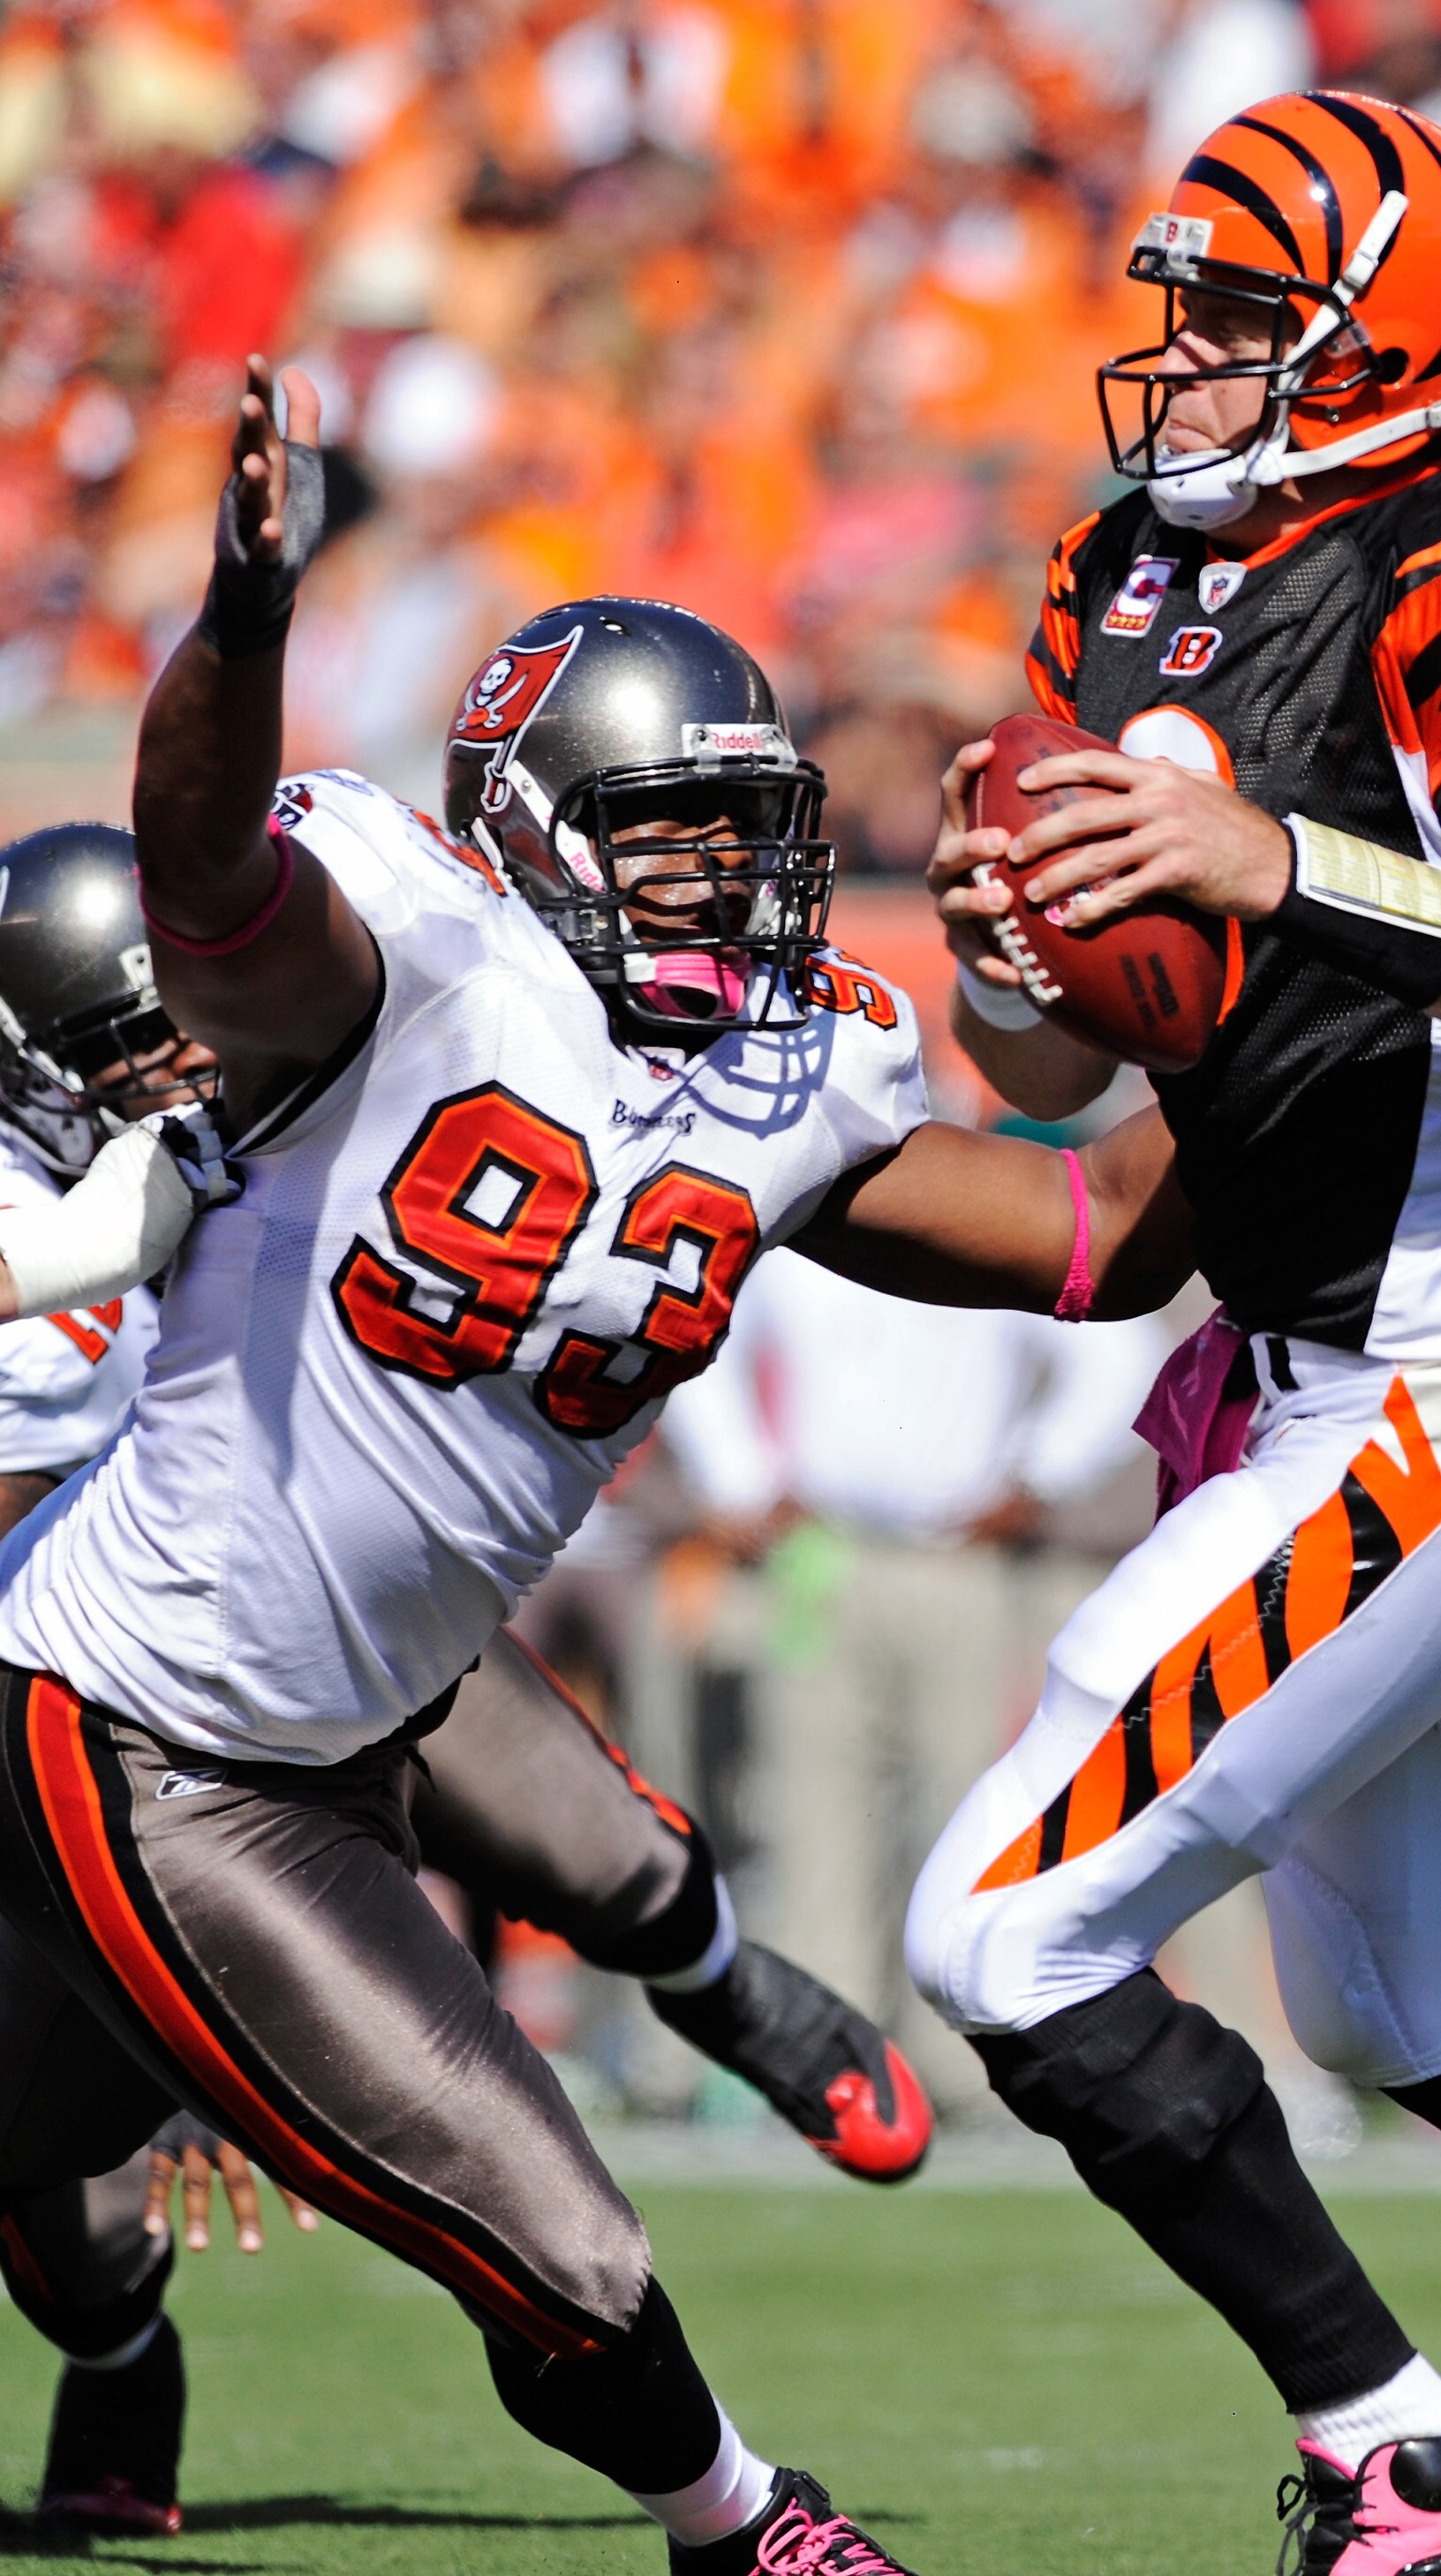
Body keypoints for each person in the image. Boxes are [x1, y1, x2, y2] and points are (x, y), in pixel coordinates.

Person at [0, 354, 1184, 2576]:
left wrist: (1258, 1024)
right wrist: (243, 620)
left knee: (516, 2056)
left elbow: (1093, 1240)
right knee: (550, 2243)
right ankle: (749, 2528)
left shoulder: (789, 1071)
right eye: (671, 829)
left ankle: (704, 2082)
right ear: (530, 825)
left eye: (749, 830)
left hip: (382, 1693)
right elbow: (204, 870)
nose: (727, 877)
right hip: (147, 1728)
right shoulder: (395, 957)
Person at [914, 88, 1441, 2571]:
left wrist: (1274, 855)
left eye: (1233, 317)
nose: (1171, 356)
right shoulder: (1134, 579)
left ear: (1371, 339)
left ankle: (1411, 2461)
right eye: (1170, 305)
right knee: (1416, 2015)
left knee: (1000, 1923)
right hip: (1339, 1389)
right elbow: (1073, 1076)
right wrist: (1013, 956)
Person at [0, 829, 938, 2535]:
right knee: (90, 2228)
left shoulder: (339, 1059)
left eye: (178, 1017)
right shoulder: (61, 1218)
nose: (181, 1058)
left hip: (353, 1615)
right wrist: (178, 2003)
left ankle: (726, 1989)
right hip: (139, 1686)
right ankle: (125, 2359)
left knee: (614, 1857)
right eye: (126, 1047)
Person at [660, 1251, 1166, 2109]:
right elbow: (701, 1336)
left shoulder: (987, 1216)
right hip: (822, 1553)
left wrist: (1041, 1477)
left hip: (959, 1559)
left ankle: (965, 2075)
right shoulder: (809, 1233)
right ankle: (830, 2072)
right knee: (814, 1812)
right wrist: (743, 1480)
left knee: (967, 1814)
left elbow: (1124, 1354)